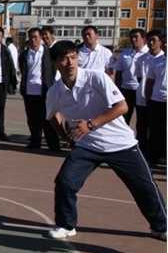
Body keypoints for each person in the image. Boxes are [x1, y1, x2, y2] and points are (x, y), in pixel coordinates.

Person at [45, 40, 166, 240]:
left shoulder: (96, 78)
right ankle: (66, 225)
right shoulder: (54, 91)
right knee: (65, 182)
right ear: (55, 63)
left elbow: (122, 107)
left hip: (121, 144)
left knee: (144, 187)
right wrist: (66, 137)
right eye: (64, 59)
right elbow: (52, 116)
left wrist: (91, 125)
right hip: (87, 146)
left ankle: (161, 227)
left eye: (74, 57)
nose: (70, 63)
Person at [19, 27, 59, 151]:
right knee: (32, 119)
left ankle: (53, 144)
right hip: (29, 92)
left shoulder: (49, 53)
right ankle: (35, 142)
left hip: (45, 91)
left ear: (41, 38)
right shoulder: (24, 54)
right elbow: (23, 70)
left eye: (35, 37)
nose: (33, 40)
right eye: (30, 37)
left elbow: (53, 71)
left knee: (48, 119)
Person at [113, 29, 149, 126]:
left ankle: (141, 141)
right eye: (131, 37)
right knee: (124, 119)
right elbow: (119, 73)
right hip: (126, 90)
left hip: (142, 91)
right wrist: (118, 90)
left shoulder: (148, 54)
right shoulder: (125, 53)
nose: (133, 39)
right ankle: (124, 140)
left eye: (136, 37)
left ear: (143, 39)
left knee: (142, 120)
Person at [145, 29, 166, 168]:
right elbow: (150, 82)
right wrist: (148, 98)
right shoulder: (157, 61)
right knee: (155, 130)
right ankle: (154, 156)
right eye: (166, 43)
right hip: (156, 100)